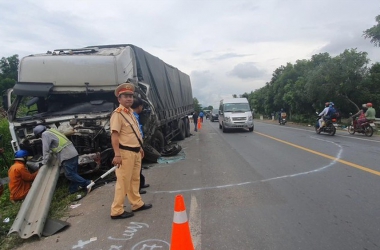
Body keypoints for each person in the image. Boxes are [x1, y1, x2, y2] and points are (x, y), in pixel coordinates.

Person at [110, 82, 152, 220]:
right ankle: (117, 210)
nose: (129, 98)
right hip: (125, 153)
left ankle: (136, 203)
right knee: (123, 182)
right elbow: (115, 135)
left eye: (130, 96)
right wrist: (117, 154)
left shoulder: (131, 114)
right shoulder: (118, 114)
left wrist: (140, 147)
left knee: (135, 179)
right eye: (125, 96)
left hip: (135, 151)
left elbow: (134, 133)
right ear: (119, 99)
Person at [33, 125, 92, 194]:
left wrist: (43, 162)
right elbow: (55, 145)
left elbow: (45, 150)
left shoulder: (45, 134)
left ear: (39, 134)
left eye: (39, 136)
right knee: (73, 173)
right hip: (73, 153)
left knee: (69, 174)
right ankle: (73, 189)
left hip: (66, 155)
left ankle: (88, 183)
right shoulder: (52, 131)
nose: (40, 138)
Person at [131, 96, 150, 195]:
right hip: (134, 147)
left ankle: (140, 184)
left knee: (139, 167)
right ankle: (136, 189)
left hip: (138, 145)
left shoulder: (135, 116)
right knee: (135, 169)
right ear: (139, 106)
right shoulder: (132, 116)